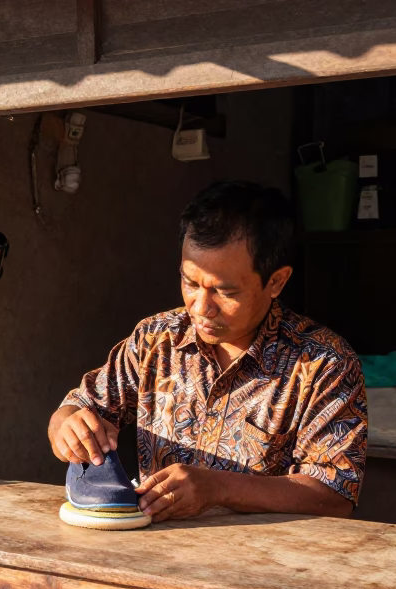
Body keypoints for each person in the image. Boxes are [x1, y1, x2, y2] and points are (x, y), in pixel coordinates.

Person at [47, 181, 367, 522]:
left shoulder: (323, 363)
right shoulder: (155, 339)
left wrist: (219, 488)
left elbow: (335, 494)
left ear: (276, 281)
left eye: (224, 292)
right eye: (190, 283)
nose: (201, 308)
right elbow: (76, 409)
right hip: (154, 554)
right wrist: (68, 427)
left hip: (264, 566)